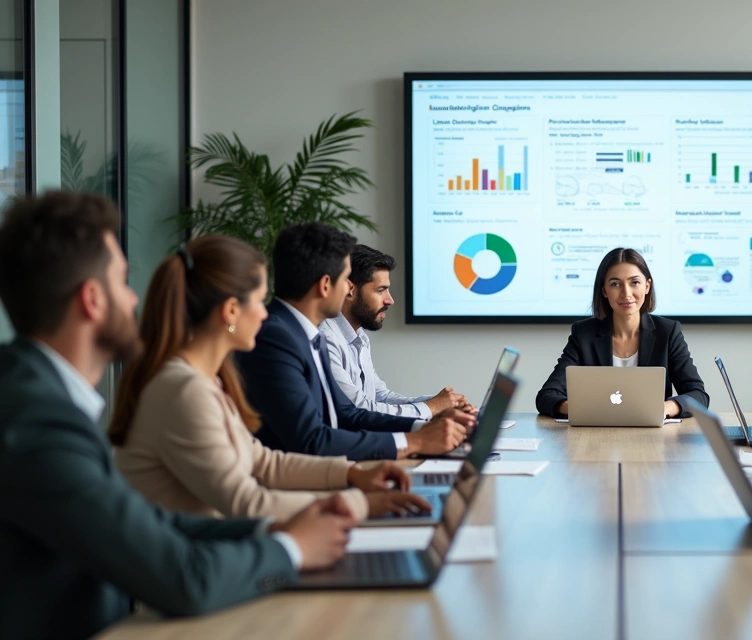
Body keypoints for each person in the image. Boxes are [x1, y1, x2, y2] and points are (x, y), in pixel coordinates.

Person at [0, 192, 352, 639]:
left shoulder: (36, 397)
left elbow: (154, 524)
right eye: (122, 282)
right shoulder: (38, 424)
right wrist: (291, 548)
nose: (133, 299)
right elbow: (186, 579)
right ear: (92, 300)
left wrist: (273, 528)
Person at [110, 235, 432, 523]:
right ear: (231, 312)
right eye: (259, 301)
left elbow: (263, 462)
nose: (266, 314)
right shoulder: (184, 390)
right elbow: (245, 501)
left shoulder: (208, 382)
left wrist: (352, 475)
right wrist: (359, 504)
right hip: (196, 569)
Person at [236, 223, 474, 461]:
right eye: (346, 280)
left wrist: (425, 428)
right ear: (326, 285)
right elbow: (311, 440)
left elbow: (347, 413)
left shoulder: (306, 334)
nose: (349, 289)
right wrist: (415, 441)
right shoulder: (276, 337)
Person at [536, 247, 708, 418]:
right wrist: (580, 408)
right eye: (615, 284)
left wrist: (665, 408)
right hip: (595, 436)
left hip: (653, 436)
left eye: (634, 282)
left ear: (647, 286)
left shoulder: (668, 332)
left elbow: (698, 396)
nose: (626, 293)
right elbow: (547, 396)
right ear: (604, 290)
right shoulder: (583, 334)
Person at [319, 244, 473, 418]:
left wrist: (442, 404)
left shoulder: (359, 336)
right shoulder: (324, 339)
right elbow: (356, 408)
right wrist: (432, 407)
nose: (389, 300)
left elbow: (379, 397)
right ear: (349, 291)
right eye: (381, 290)